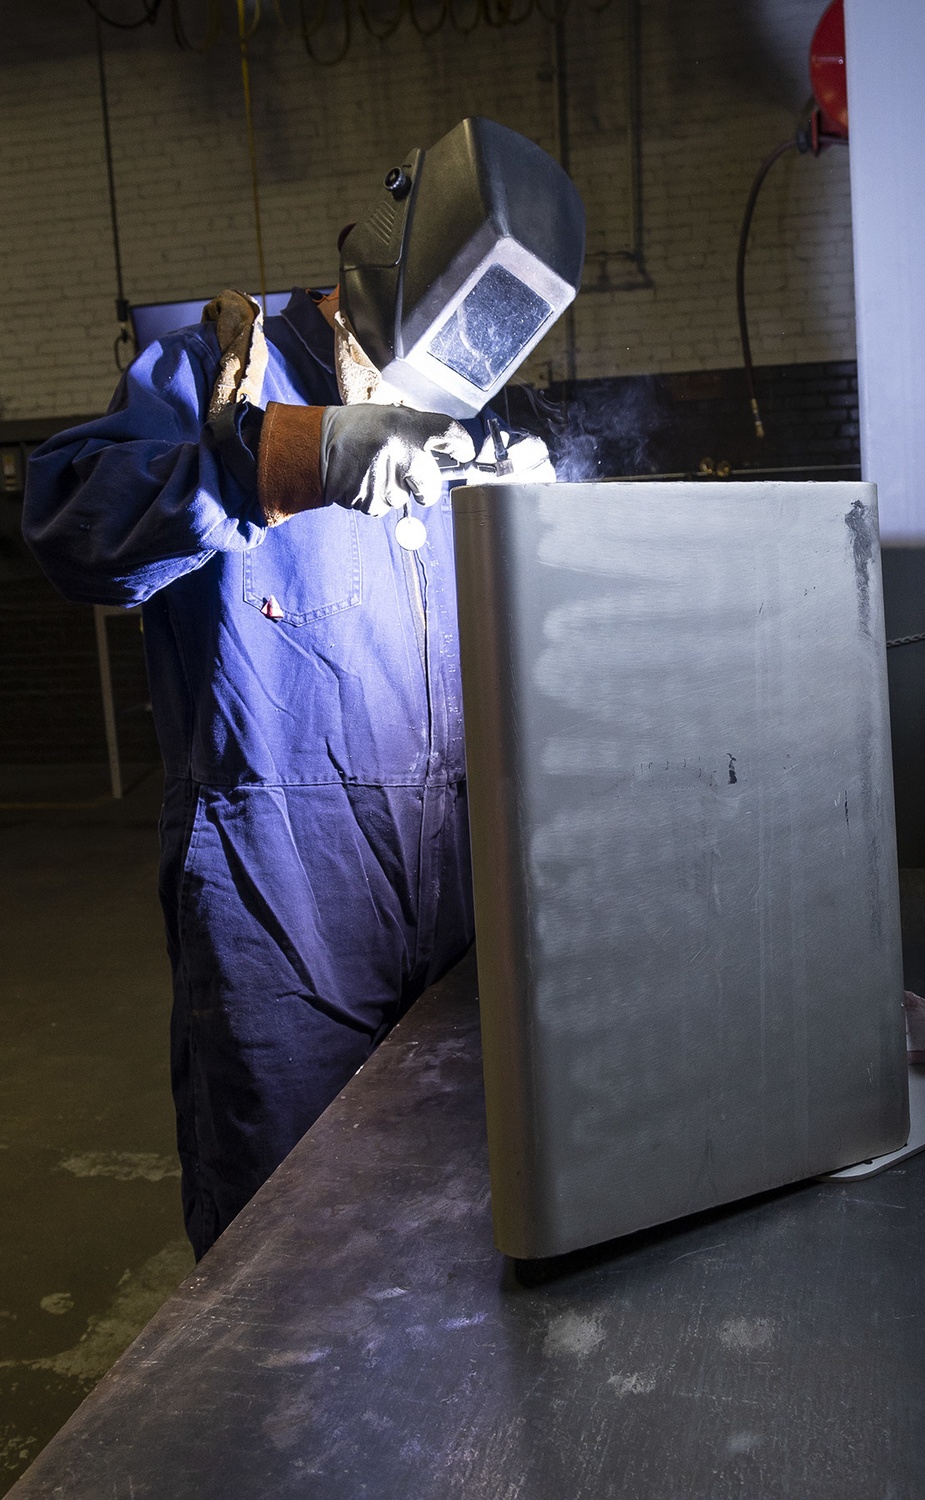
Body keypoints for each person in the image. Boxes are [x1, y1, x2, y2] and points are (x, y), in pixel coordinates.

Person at [23, 118, 584, 1259]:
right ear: (380, 272)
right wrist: (284, 460)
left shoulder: (473, 405)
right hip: (281, 903)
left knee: (469, 1211)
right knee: (283, 1245)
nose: (414, 398)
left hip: (467, 897)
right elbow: (70, 527)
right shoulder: (218, 369)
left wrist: (552, 498)